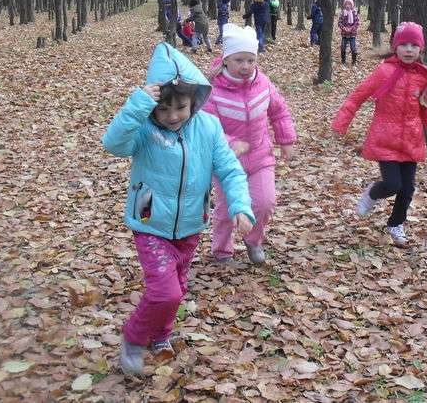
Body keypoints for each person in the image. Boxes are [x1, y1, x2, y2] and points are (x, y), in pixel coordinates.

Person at [102, 42, 255, 376]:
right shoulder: (143, 130)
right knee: (165, 290)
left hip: (190, 224)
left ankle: (161, 334)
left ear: (194, 102)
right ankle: (133, 337)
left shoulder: (209, 128)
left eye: (180, 108)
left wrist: (241, 206)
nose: (172, 116)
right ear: (153, 108)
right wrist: (139, 104)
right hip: (150, 222)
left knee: (178, 287)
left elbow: (229, 169)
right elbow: (112, 144)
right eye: (163, 109)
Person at [331, 22, 427, 247]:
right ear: (395, 47)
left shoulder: (422, 76)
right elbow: (357, 97)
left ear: (420, 49)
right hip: (385, 139)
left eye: (414, 45)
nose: (408, 50)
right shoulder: (384, 71)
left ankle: (396, 224)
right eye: (403, 44)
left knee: (408, 188)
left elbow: (426, 108)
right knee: (393, 184)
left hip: (411, 141)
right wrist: (341, 124)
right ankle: (372, 194)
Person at [203, 23, 297, 264]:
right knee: (226, 209)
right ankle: (222, 250)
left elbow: (279, 112)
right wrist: (230, 143)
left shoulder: (263, 84)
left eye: (250, 60)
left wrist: (286, 139)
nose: (245, 66)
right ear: (226, 60)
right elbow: (206, 126)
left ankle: (253, 240)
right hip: (226, 161)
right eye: (238, 60)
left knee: (265, 203)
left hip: (260, 156)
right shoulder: (213, 91)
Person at [337, 0, 360, 65]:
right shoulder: (342, 13)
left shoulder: (354, 13)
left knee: (353, 48)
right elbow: (339, 22)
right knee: (343, 47)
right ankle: (343, 61)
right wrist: (344, 28)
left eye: (349, 4)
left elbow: (357, 22)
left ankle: (354, 61)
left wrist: (351, 29)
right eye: (346, 4)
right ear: (344, 5)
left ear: (352, 5)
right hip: (344, 34)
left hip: (352, 34)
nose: (347, 6)